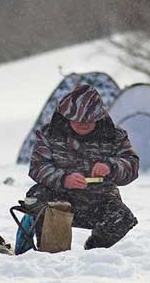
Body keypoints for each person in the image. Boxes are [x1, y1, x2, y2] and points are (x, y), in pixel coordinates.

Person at [26, 84, 139, 249]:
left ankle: (94, 250)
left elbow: (132, 165)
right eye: (78, 120)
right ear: (67, 116)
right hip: (60, 197)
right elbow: (38, 167)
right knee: (37, 197)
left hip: (100, 200)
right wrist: (64, 179)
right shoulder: (49, 135)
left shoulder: (114, 136)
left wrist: (111, 167)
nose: (84, 124)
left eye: (90, 120)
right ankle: (51, 252)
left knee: (122, 217)